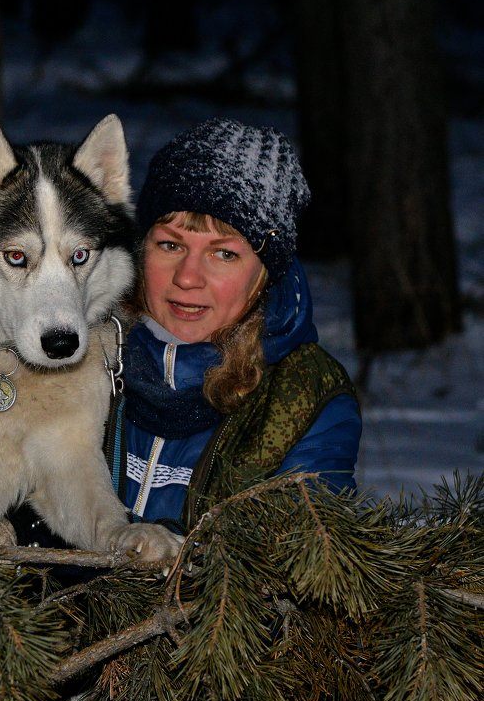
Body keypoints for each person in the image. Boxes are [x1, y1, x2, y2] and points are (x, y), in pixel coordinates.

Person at [120, 117, 361, 532]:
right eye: (171, 244)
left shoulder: (304, 398)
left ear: (266, 273)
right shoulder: (79, 352)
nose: (188, 277)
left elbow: (289, 558)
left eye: (224, 253)